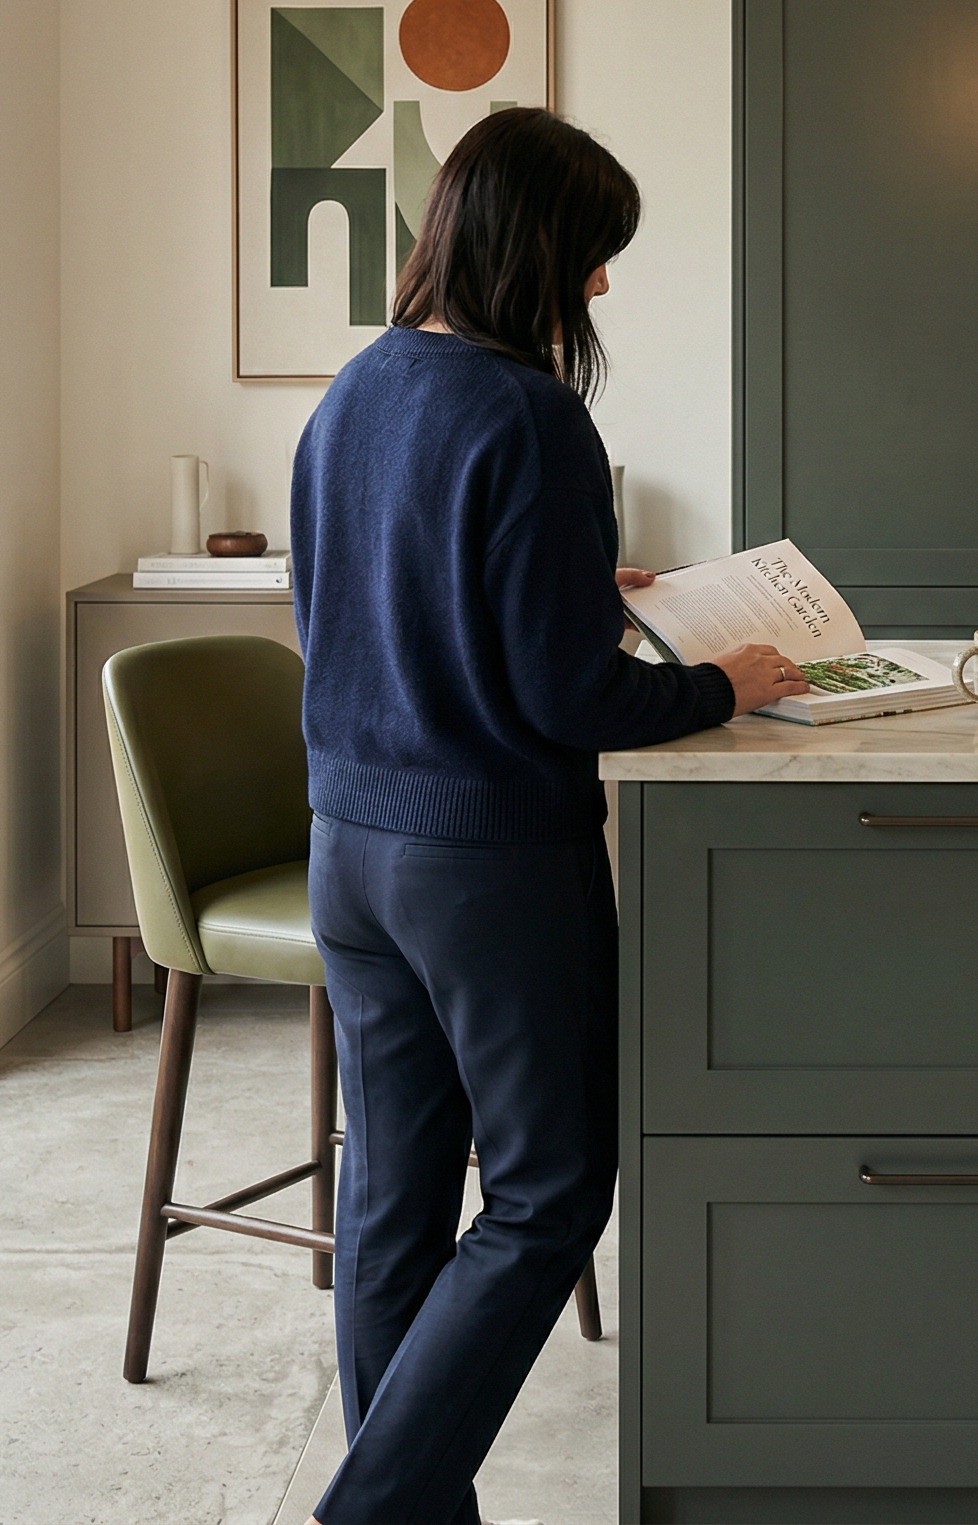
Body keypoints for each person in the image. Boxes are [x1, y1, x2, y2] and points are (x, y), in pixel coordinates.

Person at [291, 107, 808, 1525]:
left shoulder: (358, 387)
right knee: (546, 1196)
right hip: (487, 865)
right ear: (539, 251)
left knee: (395, 1197)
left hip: (352, 849)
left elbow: (387, 603)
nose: (598, 290)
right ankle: (373, 1508)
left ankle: (408, 1507)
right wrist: (721, 682)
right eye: (592, 258)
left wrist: (593, 588)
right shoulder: (530, 415)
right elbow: (571, 702)